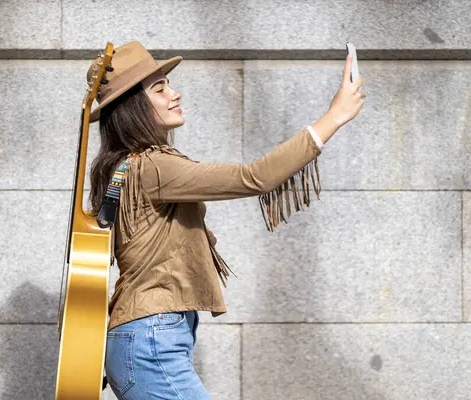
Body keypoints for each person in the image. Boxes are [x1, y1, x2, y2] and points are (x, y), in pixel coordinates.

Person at [87, 40, 365, 399]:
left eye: (168, 84)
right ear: (134, 107)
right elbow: (255, 177)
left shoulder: (129, 166)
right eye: (160, 88)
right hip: (151, 343)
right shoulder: (153, 166)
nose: (175, 93)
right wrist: (334, 116)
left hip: (144, 339)